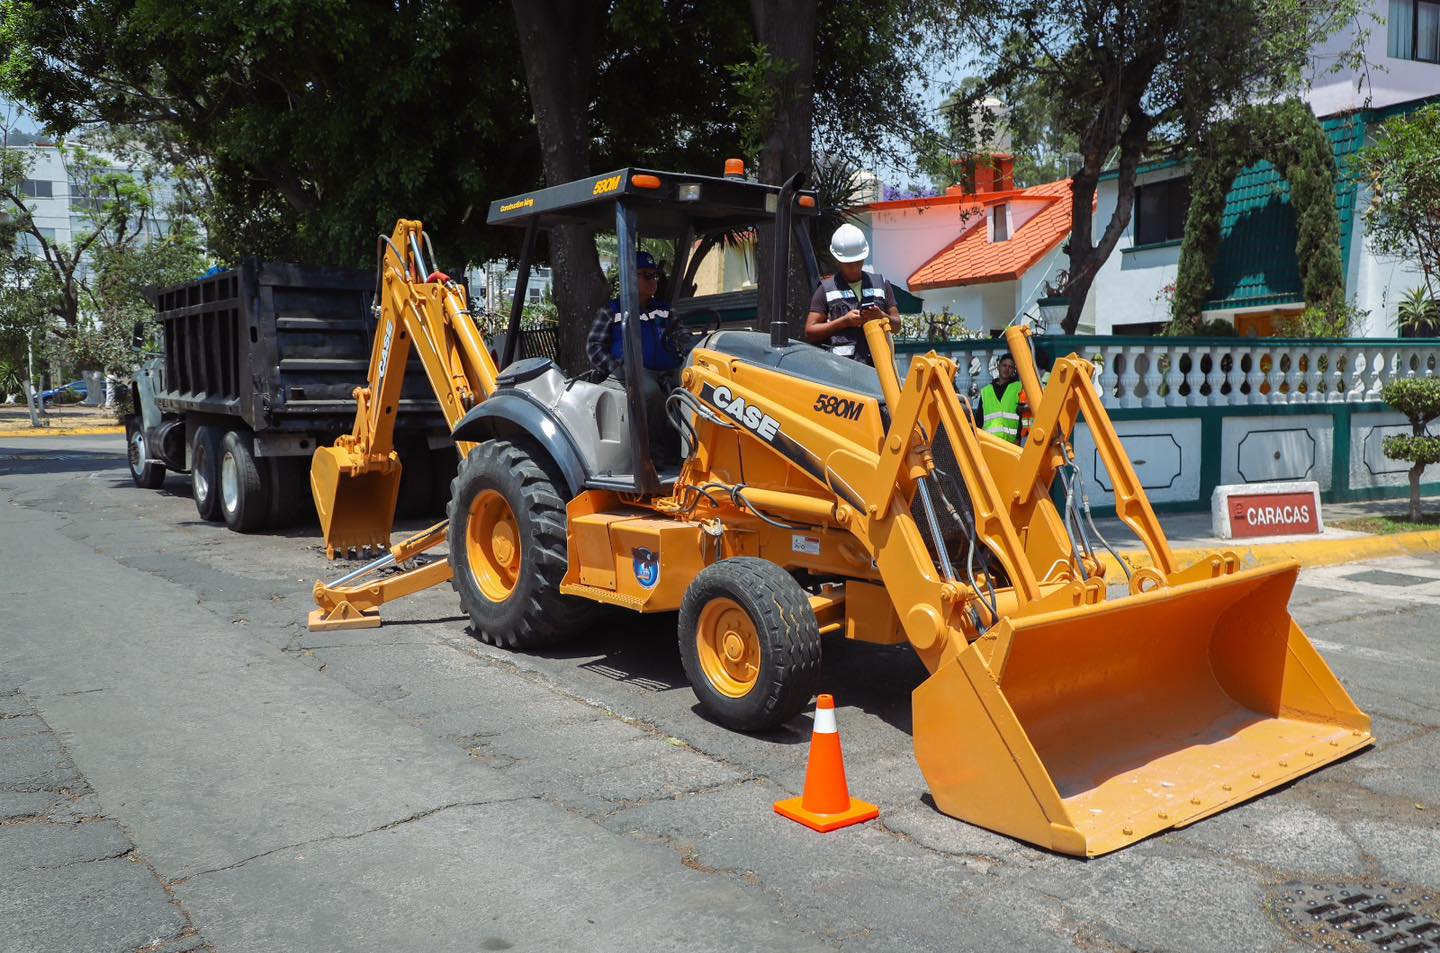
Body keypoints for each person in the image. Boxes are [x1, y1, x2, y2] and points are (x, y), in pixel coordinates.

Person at [586, 250, 678, 455]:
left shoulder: (664, 309)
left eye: (655, 275)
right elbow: (594, 347)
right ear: (629, 277)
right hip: (630, 371)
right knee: (651, 393)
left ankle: (687, 449)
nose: (653, 280)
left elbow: (681, 334)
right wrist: (618, 369)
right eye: (646, 275)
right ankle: (653, 453)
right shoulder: (612, 310)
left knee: (696, 387)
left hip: (666, 370)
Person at [804, 223, 901, 365]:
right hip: (842, 373)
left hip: (880, 371)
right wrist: (844, 322)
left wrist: (882, 316)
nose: (854, 267)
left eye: (858, 261)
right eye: (849, 263)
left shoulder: (881, 284)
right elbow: (810, 331)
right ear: (838, 261)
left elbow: (897, 325)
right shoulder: (826, 289)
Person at [975, 351, 1031, 445]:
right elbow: (979, 419)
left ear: (1014, 370)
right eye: (1004, 365)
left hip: (1011, 444)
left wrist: (1018, 438)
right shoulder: (986, 391)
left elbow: (1023, 417)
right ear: (998, 367)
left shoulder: (1019, 388)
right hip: (989, 442)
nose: (1007, 369)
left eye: (1010, 367)